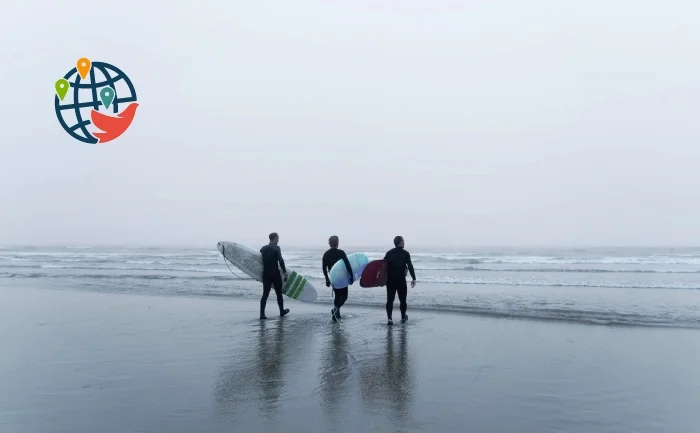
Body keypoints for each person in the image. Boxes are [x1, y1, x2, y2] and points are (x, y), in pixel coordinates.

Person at [384, 235, 416, 325]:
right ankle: (402, 317)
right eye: (403, 241)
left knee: (390, 300)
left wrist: (381, 280)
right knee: (403, 300)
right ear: (400, 242)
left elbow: (383, 266)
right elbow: (410, 266)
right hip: (401, 280)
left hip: (390, 281)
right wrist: (414, 278)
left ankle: (390, 319)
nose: (404, 243)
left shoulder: (389, 253)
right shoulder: (405, 253)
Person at [322, 236, 354, 321]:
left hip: (333, 278)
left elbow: (324, 268)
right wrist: (351, 276)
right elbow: (347, 265)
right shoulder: (341, 252)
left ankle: (336, 314)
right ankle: (335, 310)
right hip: (342, 277)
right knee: (344, 297)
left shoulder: (326, 254)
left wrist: (327, 279)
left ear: (329, 243)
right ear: (337, 243)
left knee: (337, 296)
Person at [259, 232, 290, 319]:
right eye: (278, 238)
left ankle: (262, 314)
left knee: (265, 294)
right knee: (279, 294)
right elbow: (280, 260)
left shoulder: (263, 248)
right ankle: (281, 312)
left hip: (266, 274)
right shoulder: (277, 248)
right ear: (275, 238)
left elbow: (259, 261)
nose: (278, 240)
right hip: (275, 274)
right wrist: (284, 272)